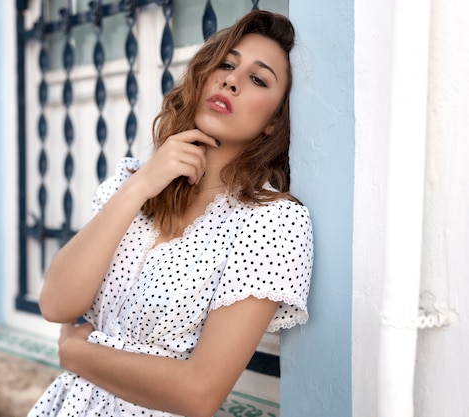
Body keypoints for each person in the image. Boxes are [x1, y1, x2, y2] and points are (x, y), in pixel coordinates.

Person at [28, 9, 313, 417]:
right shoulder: (130, 184)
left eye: (257, 79)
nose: (231, 79)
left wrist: (77, 354)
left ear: (273, 122)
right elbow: (55, 304)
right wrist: (142, 186)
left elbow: (198, 393)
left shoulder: (271, 222)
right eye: (226, 64)